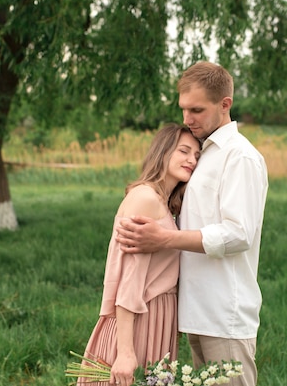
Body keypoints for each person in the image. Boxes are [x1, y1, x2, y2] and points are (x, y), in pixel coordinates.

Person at [116, 61, 268, 386]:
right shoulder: (203, 153)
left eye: (197, 110)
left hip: (223, 314)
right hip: (195, 312)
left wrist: (164, 239)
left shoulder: (239, 157)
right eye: (183, 109)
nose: (187, 119)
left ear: (224, 104)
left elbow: (239, 234)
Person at [78, 123, 201, 386]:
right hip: (140, 320)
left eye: (197, 155)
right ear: (163, 151)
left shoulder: (164, 204)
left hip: (159, 320)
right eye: (184, 151)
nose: (192, 160)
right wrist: (125, 351)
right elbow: (128, 281)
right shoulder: (144, 198)